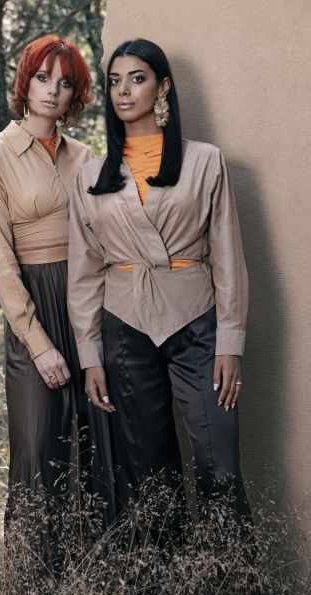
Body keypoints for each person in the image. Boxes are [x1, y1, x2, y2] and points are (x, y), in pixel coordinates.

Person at [67, 38, 252, 539]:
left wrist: (230, 343)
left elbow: (229, 259)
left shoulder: (206, 162)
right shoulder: (89, 176)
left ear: (163, 86)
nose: (123, 91)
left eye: (137, 78)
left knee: (221, 467)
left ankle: (231, 581)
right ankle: (164, 583)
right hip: (124, 328)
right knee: (148, 476)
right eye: (114, 81)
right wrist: (90, 356)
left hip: (198, 324)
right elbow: (84, 275)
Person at [0, 35, 114, 595]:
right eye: (43, 78)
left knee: (99, 439)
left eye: (66, 82)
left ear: (75, 93)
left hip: (90, 302)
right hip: (34, 304)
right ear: (25, 83)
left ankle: (101, 575)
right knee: (37, 445)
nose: (53, 91)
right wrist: (39, 342)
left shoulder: (88, 158)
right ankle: (34, 584)